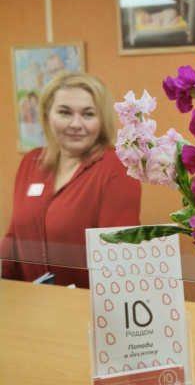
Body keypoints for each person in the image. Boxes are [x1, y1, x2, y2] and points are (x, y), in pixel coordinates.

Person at [0, 71, 141, 288]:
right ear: (47, 115)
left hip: (87, 303)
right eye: (65, 112)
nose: (76, 124)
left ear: (102, 119)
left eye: (88, 114)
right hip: (29, 301)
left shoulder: (117, 167)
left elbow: (119, 253)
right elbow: (14, 236)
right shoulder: (31, 162)